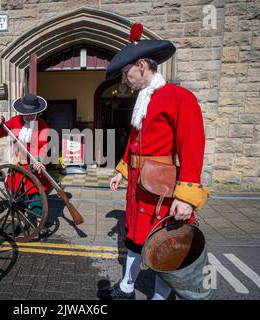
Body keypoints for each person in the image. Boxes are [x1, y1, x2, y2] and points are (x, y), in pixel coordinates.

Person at [106, 23, 209, 300]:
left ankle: (159, 298)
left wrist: (186, 196)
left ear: (141, 65)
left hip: (162, 190)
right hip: (139, 188)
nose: (124, 81)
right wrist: (122, 171)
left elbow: (192, 147)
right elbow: (134, 141)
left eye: (126, 74)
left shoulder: (180, 98)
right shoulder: (143, 100)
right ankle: (127, 289)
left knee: (165, 246)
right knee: (135, 239)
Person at [0, 93, 52, 241]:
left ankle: (39, 226)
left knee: (35, 198)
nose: (28, 117)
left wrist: (38, 159)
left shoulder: (43, 125)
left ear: (37, 112)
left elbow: (43, 146)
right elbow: (0, 132)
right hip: (17, 166)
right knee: (17, 199)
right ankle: (20, 222)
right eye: (25, 114)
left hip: (33, 167)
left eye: (31, 114)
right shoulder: (16, 121)